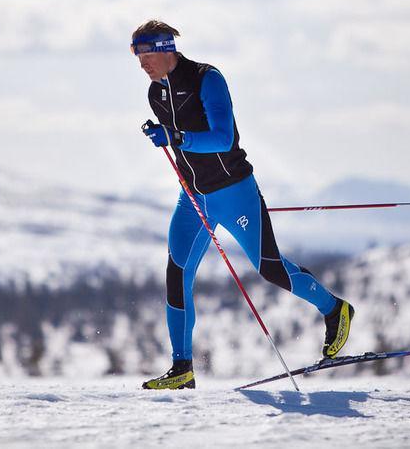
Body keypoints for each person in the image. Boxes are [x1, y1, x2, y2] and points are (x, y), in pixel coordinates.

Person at [131, 20, 354, 390]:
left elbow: (222, 137)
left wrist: (175, 136)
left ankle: (335, 309)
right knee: (177, 273)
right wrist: (166, 138)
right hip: (193, 199)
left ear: (165, 47)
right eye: (135, 56)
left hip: (235, 192)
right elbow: (180, 146)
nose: (141, 64)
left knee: (270, 269)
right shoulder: (155, 93)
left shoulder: (208, 78)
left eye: (145, 53)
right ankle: (182, 368)